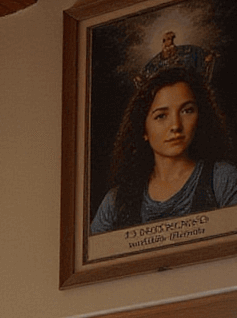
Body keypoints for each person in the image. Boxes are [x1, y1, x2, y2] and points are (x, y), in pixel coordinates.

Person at [90, 59, 237, 233]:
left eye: (187, 110)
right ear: (143, 129)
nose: (175, 125)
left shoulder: (222, 179)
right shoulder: (115, 202)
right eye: (161, 116)